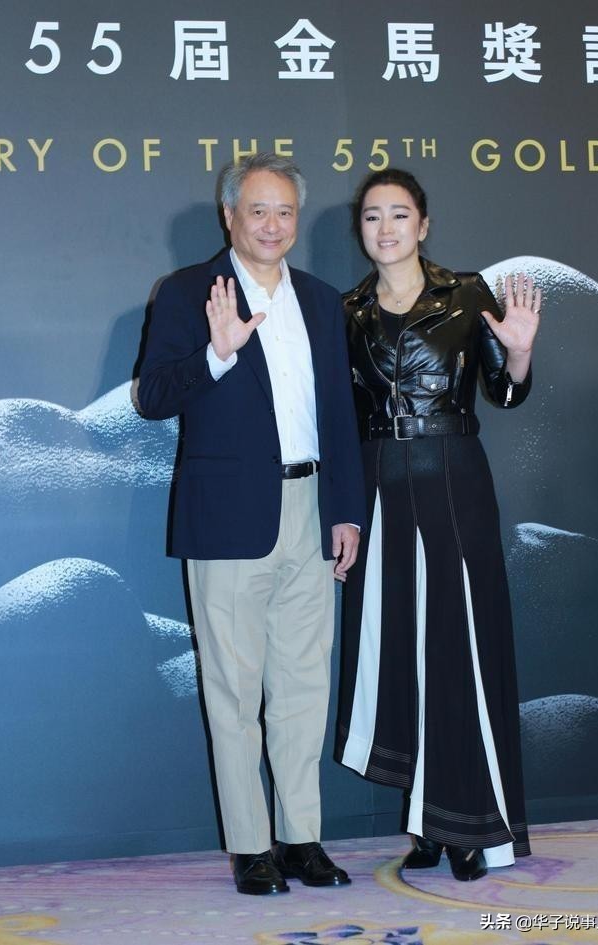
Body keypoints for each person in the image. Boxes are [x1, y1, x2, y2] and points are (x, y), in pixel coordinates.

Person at [138, 152, 366, 895]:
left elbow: (339, 415)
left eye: (285, 211)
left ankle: (301, 837)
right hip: (229, 516)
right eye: (258, 210)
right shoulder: (187, 292)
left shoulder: (322, 301)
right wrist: (216, 354)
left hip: (311, 509)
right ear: (229, 215)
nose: (272, 225)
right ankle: (250, 845)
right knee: (233, 690)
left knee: (304, 683)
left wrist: (346, 510)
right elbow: (151, 397)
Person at [335, 168, 539, 881]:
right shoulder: (348, 311)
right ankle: (427, 817)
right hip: (379, 484)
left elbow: (504, 393)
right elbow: (340, 418)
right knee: (400, 648)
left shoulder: (469, 294)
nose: (386, 228)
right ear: (360, 231)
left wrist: (519, 350)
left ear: (423, 225)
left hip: (454, 478)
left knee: (460, 647)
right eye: (372, 217)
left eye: (400, 214)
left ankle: (467, 824)